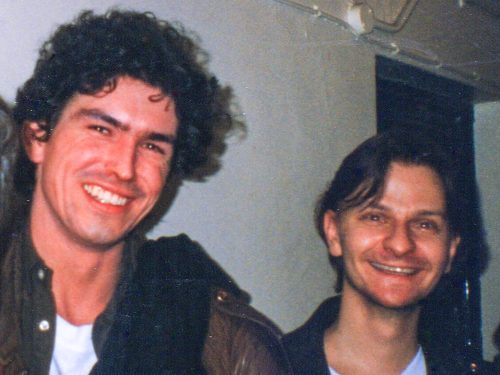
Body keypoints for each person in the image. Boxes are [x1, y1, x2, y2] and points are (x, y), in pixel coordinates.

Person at [0, 10, 289, 374]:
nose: (124, 168)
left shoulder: (212, 330)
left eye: (153, 146)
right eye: (102, 129)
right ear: (39, 137)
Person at [283, 129, 471, 374]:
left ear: (451, 249)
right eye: (376, 217)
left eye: (425, 224)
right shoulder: (262, 367)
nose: (401, 244)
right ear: (334, 233)